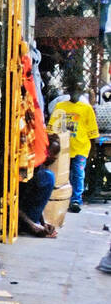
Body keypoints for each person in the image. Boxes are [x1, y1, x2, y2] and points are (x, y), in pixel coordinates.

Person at [48, 83, 100, 213]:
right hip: (63, 148)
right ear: (69, 92)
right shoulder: (60, 107)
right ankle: (62, 199)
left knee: (78, 173)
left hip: (81, 147)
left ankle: (76, 199)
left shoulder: (86, 109)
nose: (76, 93)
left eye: (78, 90)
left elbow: (93, 132)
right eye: (73, 90)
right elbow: (52, 128)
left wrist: (92, 150)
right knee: (63, 175)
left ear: (82, 92)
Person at [18, 133, 60, 238]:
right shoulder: (26, 169)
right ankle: (24, 226)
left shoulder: (38, 168)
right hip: (17, 217)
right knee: (48, 177)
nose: (54, 158)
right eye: (51, 153)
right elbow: (12, 204)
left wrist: (42, 223)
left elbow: (35, 202)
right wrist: (32, 225)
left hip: (25, 217)